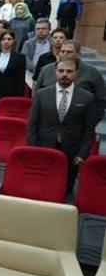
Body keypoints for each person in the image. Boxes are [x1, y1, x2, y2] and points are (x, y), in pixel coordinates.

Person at [28, 58, 96, 192]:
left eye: (69, 71)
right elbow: (32, 124)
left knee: (65, 189)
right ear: (55, 72)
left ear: (76, 73)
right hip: (44, 147)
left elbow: (89, 130)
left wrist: (83, 154)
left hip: (72, 151)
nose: (65, 74)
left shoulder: (87, 98)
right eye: (61, 71)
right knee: (41, 186)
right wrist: (32, 148)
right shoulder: (41, 94)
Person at [35, 40, 106, 121]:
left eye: (69, 52)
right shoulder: (46, 70)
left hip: (79, 123)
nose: (65, 54)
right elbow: (37, 95)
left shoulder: (93, 73)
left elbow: (101, 101)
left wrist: (91, 124)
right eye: (62, 51)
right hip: (48, 122)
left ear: (78, 54)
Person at [0, 31, 26, 116]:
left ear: (13, 41)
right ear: (0, 41)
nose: (6, 41)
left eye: (9, 39)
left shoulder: (20, 57)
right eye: (3, 39)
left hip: (11, 93)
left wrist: (18, 96)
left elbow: (21, 79)